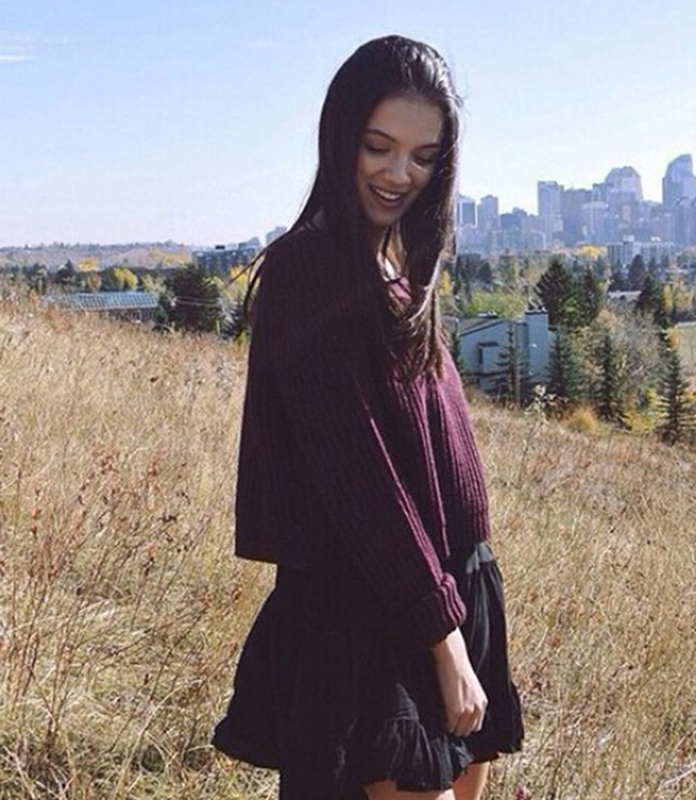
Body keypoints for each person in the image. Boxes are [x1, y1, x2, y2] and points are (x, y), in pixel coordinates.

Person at [212, 34, 523, 800]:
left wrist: (460, 614)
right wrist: (443, 639)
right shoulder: (308, 270)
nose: (398, 173)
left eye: (423, 156)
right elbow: (361, 480)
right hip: (377, 610)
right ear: (340, 136)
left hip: (449, 583)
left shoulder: (397, 259)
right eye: (378, 147)